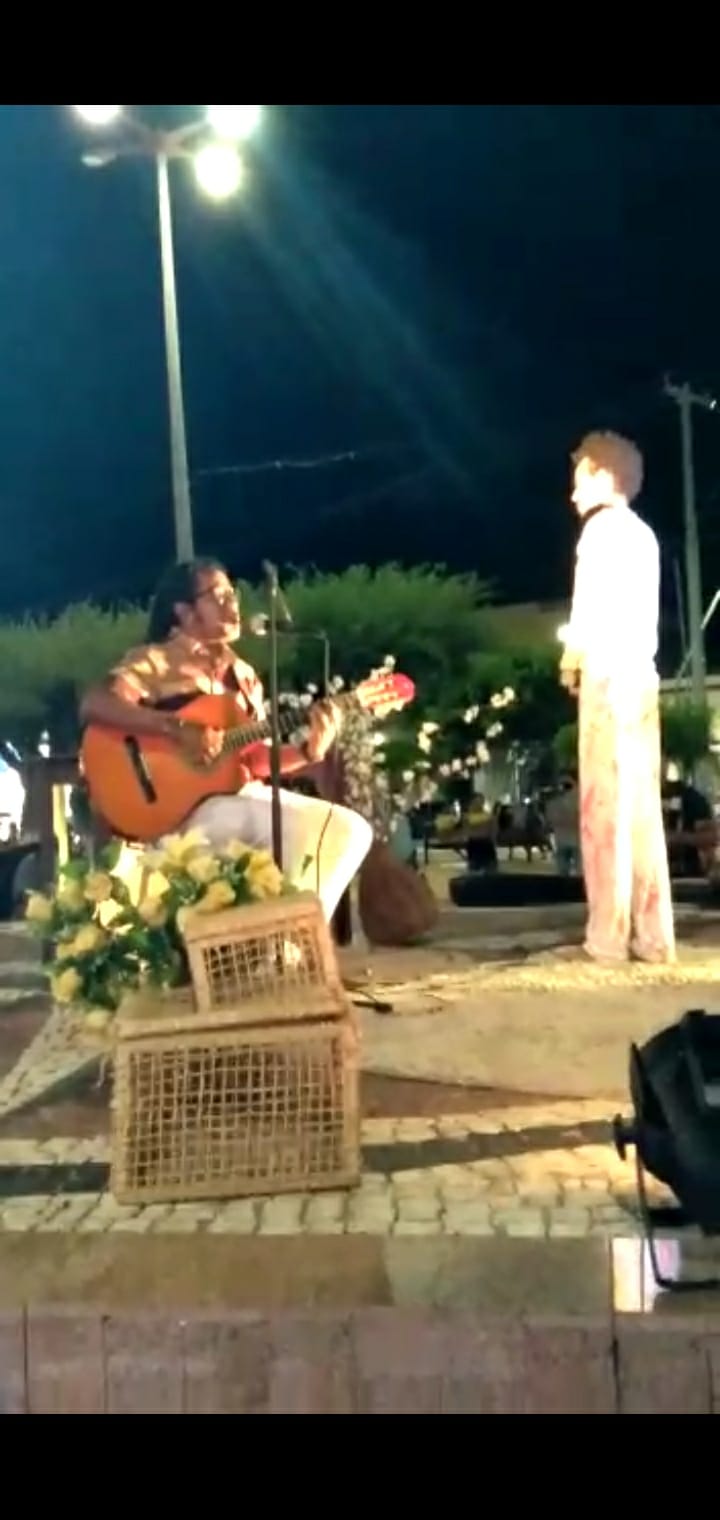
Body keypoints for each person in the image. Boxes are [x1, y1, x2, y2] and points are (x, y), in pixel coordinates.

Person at [80, 558, 373, 922]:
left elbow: (256, 760)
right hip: (177, 814)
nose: (233, 605)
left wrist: (308, 750)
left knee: (348, 831)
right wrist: (175, 727)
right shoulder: (156, 661)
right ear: (185, 612)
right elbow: (96, 703)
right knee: (247, 821)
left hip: (239, 798)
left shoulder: (243, 676)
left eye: (233, 595)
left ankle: (294, 935)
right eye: (218, 597)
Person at [559, 431, 675, 963]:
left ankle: (607, 937)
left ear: (606, 476)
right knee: (641, 812)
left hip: (606, 678)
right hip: (642, 678)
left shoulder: (599, 531)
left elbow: (587, 608)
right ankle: (652, 937)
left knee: (602, 809)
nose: (573, 493)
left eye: (580, 478)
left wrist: (572, 659)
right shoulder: (644, 535)